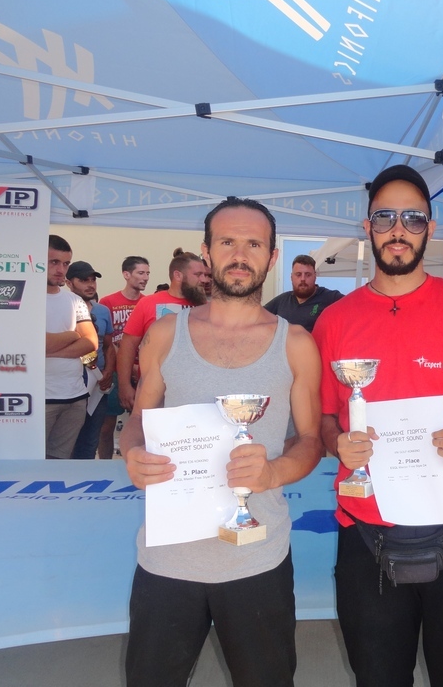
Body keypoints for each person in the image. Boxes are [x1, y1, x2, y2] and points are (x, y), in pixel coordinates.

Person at [312, 165, 443, 687]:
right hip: (367, 533)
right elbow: (324, 415)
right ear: (368, 228)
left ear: (430, 228)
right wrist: (337, 442)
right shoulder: (334, 320)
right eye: (385, 218)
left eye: (413, 218)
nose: (398, 230)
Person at [119, 198, 322, 686]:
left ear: (272, 256)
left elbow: (312, 440)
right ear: (206, 252)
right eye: (227, 241)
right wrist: (132, 453)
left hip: (257, 558)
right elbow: (138, 420)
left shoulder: (296, 343)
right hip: (168, 557)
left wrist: (272, 473)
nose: (240, 255)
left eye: (254, 244)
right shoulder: (166, 334)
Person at [117, 248, 209, 411]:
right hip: (153, 394)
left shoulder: (205, 307)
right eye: (198, 275)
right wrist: (124, 386)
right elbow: (128, 346)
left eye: (205, 275)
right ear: (178, 275)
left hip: (195, 394)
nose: (204, 280)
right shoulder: (148, 303)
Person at [45, 236, 98, 459]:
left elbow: (91, 343)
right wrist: (73, 335)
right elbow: (38, 343)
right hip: (40, 398)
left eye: (66, 264)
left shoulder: (74, 301)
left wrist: (48, 351)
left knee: (60, 463)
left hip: (75, 396)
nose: (61, 270)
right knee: (33, 463)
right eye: (54, 262)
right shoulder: (26, 299)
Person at [98, 256, 150, 460]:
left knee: (142, 425)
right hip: (116, 372)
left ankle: (139, 463)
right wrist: (123, 364)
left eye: (147, 273)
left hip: (142, 371)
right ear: (126, 274)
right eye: (140, 273)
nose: (145, 278)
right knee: (106, 426)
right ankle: (105, 464)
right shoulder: (108, 302)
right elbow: (107, 341)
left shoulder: (147, 303)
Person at [65, 261, 115, 460]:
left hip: (97, 385)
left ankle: (85, 474)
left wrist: (109, 371)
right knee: (66, 439)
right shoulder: (60, 307)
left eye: (93, 280)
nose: (90, 285)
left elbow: (109, 346)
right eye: (84, 280)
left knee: (90, 439)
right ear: (69, 283)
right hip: (67, 385)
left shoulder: (102, 311)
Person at [264, 254, 344, 332]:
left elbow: (351, 308)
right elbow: (259, 316)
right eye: (298, 274)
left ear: (315, 276)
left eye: (308, 275)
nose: (303, 279)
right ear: (291, 277)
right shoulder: (282, 300)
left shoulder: (330, 297)